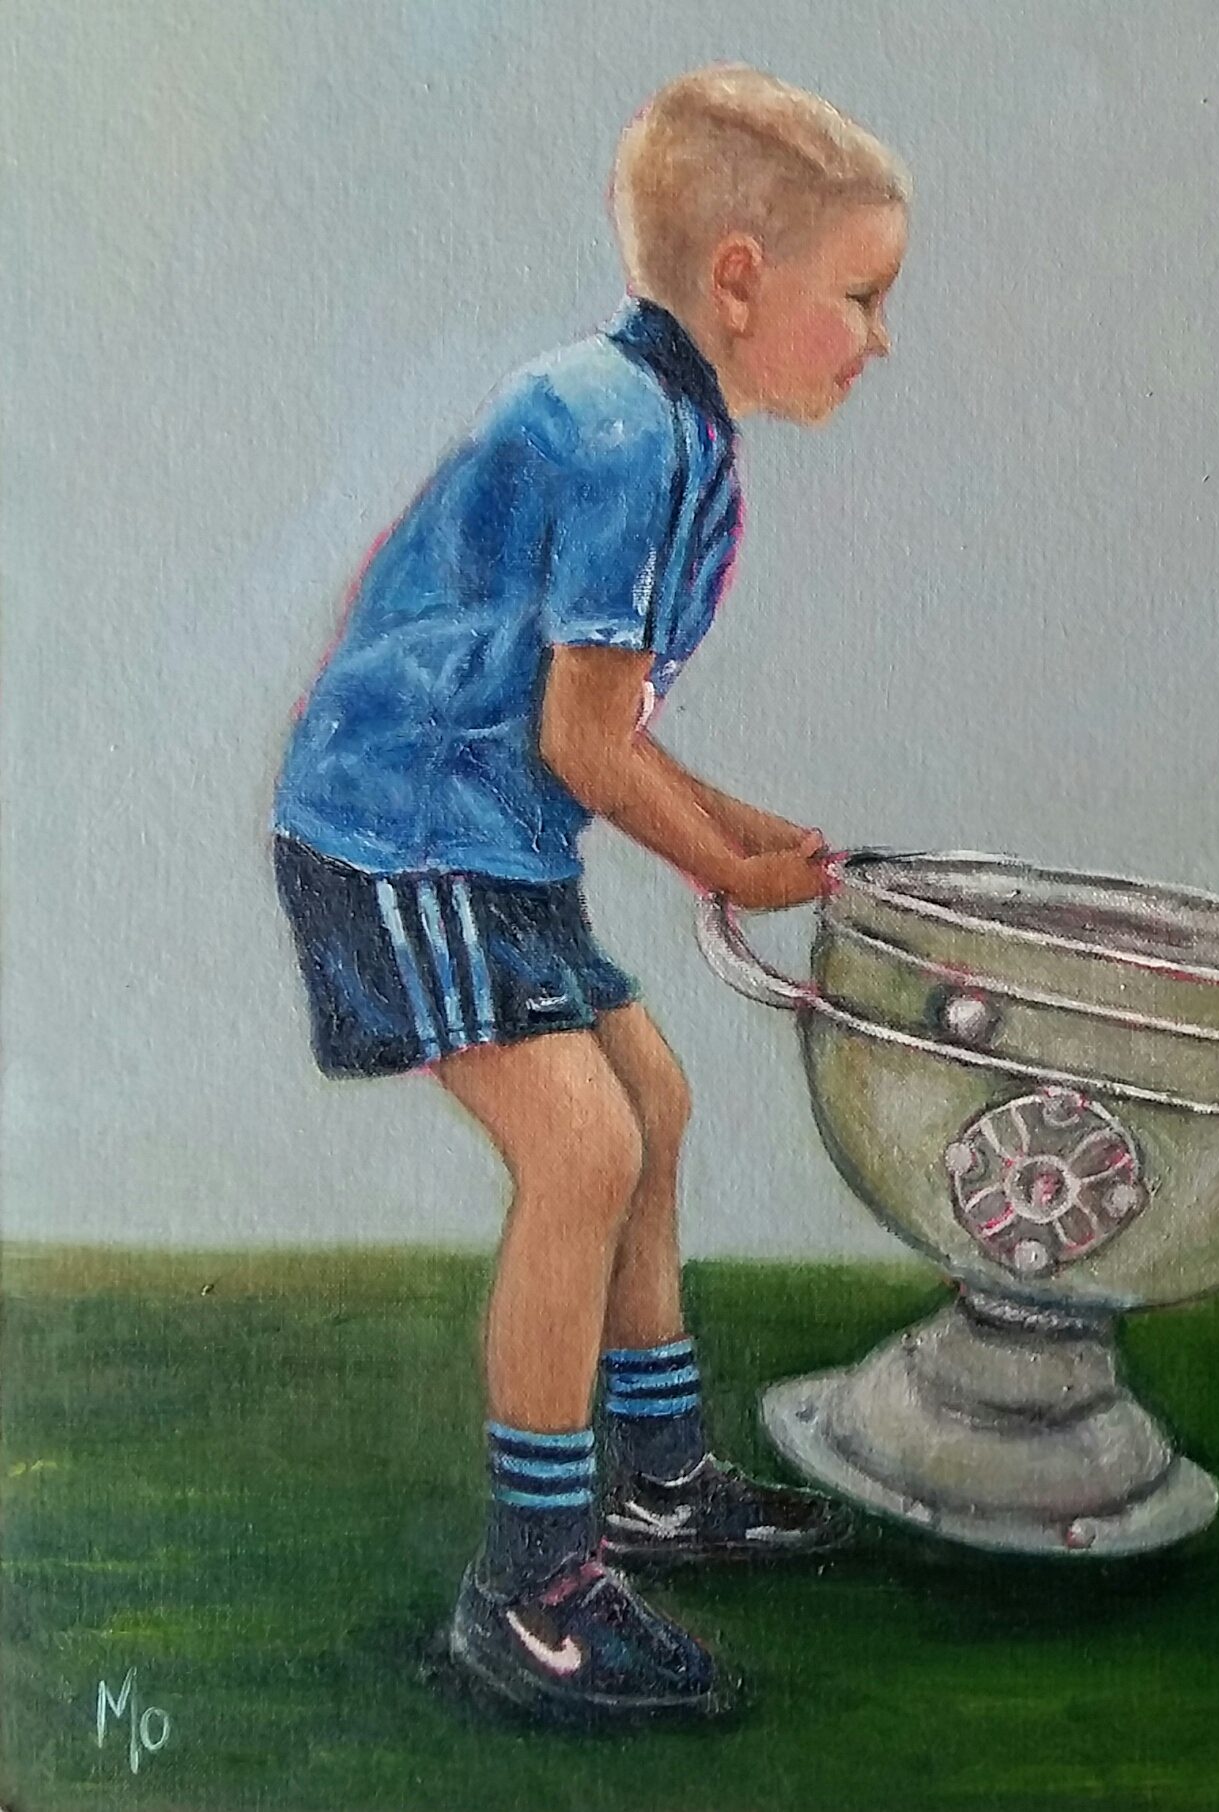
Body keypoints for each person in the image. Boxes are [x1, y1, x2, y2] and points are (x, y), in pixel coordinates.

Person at [270, 64, 908, 1723]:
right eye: (862, 296)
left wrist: (756, 832)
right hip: (405, 837)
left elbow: (602, 724)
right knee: (586, 1151)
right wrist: (730, 862)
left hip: (488, 837)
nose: (879, 338)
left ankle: (660, 1484)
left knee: (653, 1104)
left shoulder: (670, 424)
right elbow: (582, 740)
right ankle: (535, 1587)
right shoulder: (626, 435)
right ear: (740, 281)